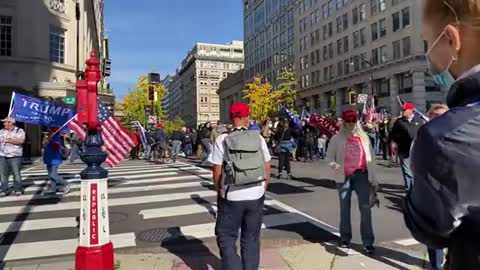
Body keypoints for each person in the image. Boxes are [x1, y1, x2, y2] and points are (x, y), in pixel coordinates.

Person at [404, 1, 480, 268]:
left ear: (451, 38)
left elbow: (429, 226)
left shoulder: (443, 138)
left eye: (428, 42)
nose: (428, 53)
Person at [209, 102, 271, 270]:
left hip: (232, 196)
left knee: (226, 236)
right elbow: (267, 167)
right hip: (256, 194)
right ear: (247, 118)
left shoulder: (222, 139)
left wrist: (220, 191)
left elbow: (217, 171)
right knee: (251, 238)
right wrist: (262, 188)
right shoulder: (258, 138)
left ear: (231, 118)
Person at [327, 110, 378, 254]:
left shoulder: (364, 137)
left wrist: (374, 179)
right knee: (345, 209)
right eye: (347, 121)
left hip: (362, 175)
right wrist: (335, 166)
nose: (350, 124)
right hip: (343, 176)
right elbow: (329, 157)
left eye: (352, 121)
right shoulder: (337, 138)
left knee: (365, 209)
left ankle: (368, 242)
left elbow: (371, 159)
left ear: (356, 121)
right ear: (343, 122)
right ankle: (345, 239)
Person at [389, 102, 425, 191]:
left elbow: (423, 133)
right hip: (404, 149)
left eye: (405, 110)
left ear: (411, 110)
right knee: (407, 171)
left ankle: (417, 188)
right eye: (402, 109)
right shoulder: (399, 122)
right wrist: (397, 139)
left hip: (417, 150)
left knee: (416, 171)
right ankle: (409, 190)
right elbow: (392, 134)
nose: (403, 111)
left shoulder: (419, 121)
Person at [0, 117, 25, 197]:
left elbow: (21, 141)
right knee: (3, 174)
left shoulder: (19, 131)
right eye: (3, 122)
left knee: (16, 173)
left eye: (5, 122)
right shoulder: (1, 131)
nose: (4, 124)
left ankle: (18, 189)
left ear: (11, 123)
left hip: (14, 156)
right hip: (2, 155)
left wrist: (7, 140)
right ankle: (4, 189)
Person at [42, 128, 71, 195]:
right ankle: (53, 188)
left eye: (50, 131)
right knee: (50, 175)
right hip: (48, 158)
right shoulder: (48, 138)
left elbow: (56, 147)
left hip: (55, 159)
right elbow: (46, 147)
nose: (49, 132)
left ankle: (66, 184)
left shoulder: (56, 138)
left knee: (53, 174)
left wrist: (51, 140)